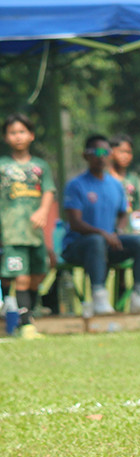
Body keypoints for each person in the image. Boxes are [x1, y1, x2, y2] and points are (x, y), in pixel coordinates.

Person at [62, 134, 140, 315]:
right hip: (78, 247)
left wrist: (117, 231)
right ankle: (99, 297)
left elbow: (123, 212)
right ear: (86, 155)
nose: (101, 157)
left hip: (108, 244)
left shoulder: (115, 185)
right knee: (96, 241)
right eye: (96, 152)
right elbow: (75, 222)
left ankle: (139, 296)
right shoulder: (76, 185)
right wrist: (103, 234)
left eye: (105, 152)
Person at [0, 113, 56, 338]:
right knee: (21, 277)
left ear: (31, 135)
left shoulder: (40, 166)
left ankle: (25, 314)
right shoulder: (2, 166)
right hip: (11, 233)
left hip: (34, 234)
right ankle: (25, 324)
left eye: (22, 132)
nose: (18, 136)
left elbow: (49, 190)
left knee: (37, 275)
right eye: (12, 132)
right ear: (5, 137)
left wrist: (43, 211)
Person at [109, 134, 140, 216]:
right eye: (122, 152)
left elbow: (136, 208)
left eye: (129, 152)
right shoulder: (103, 177)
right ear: (111, 152)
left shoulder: (133, 179)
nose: (126, 156)